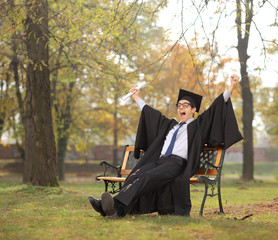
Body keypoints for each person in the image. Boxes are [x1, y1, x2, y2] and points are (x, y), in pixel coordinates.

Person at [89, 74, 243, 218]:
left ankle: (113, 205)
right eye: (179, 105)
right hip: (160, 161)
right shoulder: (170, 125)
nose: (181, 108)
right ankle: (114, 210)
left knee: (147, 176)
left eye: (186, 105)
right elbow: (150, 114)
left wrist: (231, 87)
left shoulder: (197, 126)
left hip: (176, 163)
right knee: (136, 174)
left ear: (194, 109)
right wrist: (136, 97)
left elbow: (215, 108)